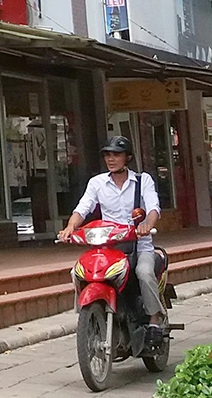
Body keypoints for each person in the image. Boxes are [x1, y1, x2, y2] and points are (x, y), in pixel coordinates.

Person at [58, 136, 165, 344]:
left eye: (116, 155)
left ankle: (154, 319)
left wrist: (147, 225)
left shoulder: (143, 181)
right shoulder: (97, 183)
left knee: (144, 272)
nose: (111, 159)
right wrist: (70, 227)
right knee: (78, 271)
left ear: (128, 157)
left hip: (138, 246)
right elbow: (83, 207)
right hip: (109, 248)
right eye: (107, 155)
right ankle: (89, 314)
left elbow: (153, 208)